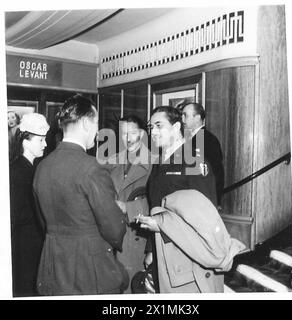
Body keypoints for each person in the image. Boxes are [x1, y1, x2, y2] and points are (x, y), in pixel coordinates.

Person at [33, 94, 129, 295]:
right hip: (89, 270)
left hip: (53, 265)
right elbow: (113, 229)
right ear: (86, 123)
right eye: (95, 123)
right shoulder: (91, 167)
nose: (97, 131)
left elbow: (43, 221)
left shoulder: (42, 166)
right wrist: (119, 212)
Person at [139, 106, 224, 293]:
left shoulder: (193, 160)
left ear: (177, 127)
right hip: (162, 248)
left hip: (187, 255)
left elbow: (205, 218)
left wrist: (162, 227)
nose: (153, 132)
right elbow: (156, 207)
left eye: (159, 126)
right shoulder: (160, 162)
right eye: (151, 127)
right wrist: (151, 249)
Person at [98, 114, 152, 293]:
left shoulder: (154, 163)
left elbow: (158, 203)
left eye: (133, 133)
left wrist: (127, 208)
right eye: (123, 133)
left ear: (143, 134)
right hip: (111, 234)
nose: (127, 138)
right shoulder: (112, 160)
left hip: (135, 236)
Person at [9, 113, 49, 297]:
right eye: (41, 140)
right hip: (25, 246)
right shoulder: (18, 171)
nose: (45, 144)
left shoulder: (32, 168)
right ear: (26, 141)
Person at [181, 102, 225, 207]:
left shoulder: (208, 140)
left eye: (185, 115)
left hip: (202, 199)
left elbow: (216, 172)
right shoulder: (186, 138)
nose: (182, 120)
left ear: (197, 118)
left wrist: (216, 200)